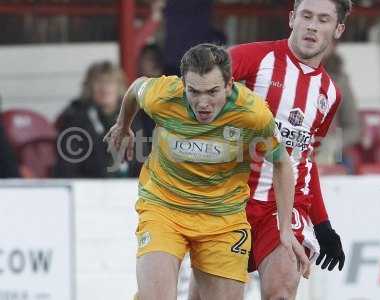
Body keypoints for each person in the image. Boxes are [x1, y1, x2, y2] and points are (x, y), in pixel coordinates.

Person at [103, 43, 310, 300]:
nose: (203, 103)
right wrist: (123, 125)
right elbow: (135, 89)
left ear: (229, 84)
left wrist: (286, 230)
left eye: (212, 92)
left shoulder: (252, 114)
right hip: (164, 209)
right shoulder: (163, 96)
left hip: (222, 220)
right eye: (194, 91)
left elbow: (281, 164)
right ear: (183, 84)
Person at [188, 0, 350, 299]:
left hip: (281, 210)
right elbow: (193, 87)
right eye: (307, 16)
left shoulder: (329, 93)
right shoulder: (253, 58)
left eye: (324, 19)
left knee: (282, 289)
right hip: (228, 202)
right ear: (292, 18)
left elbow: (304, 159)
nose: (312, 25)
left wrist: (323, 224)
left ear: (338, 28)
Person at [53, 60, 146, 178]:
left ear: (119, 86)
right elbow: (67, 167)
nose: (104, 88)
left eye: (110, 82)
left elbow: (142, 160)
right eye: (99, 82)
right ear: (89, 87)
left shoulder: (133, 116)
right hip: (88, 188)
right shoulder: (75, 118)